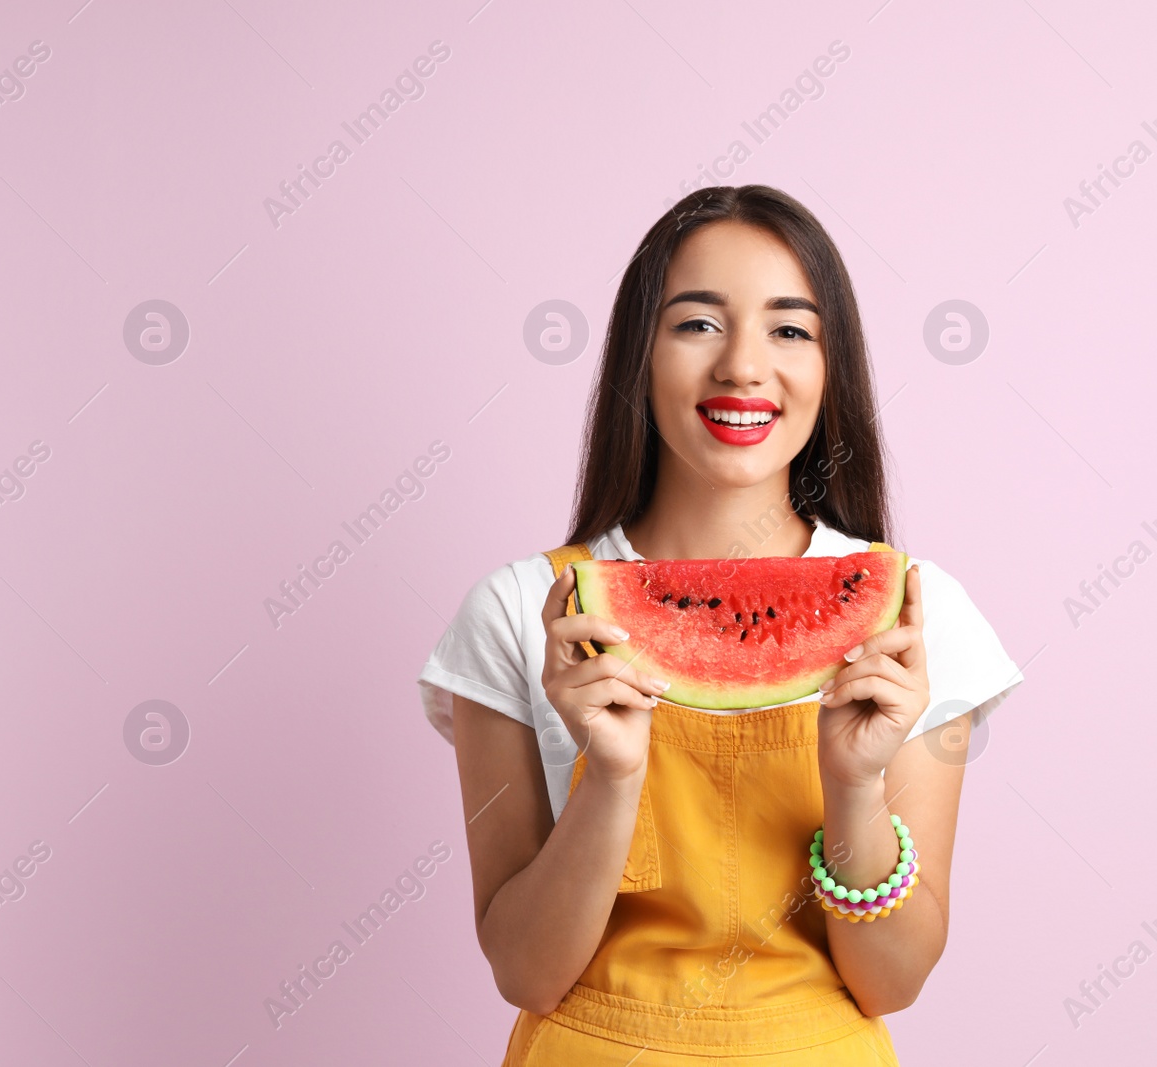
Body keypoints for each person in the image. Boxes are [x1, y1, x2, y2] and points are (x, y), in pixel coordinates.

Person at [416, 185, 1022, 1064]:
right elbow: (525, 971)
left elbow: (890, 982)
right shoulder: (522, 611)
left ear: (831, 367)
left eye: (790, 329)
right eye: (698, 324)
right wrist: (611, 777)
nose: (743, 366)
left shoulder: (916, 617)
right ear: (639, 355)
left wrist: (855, 785)